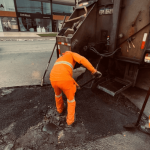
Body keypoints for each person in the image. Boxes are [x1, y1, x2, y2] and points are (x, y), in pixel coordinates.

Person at [50, 49, 102, 127]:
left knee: (57, 94)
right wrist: (94, 71)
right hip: (64, 80)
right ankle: (70, 122)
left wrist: (76, 85)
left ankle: (60, 110)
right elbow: (83, 60)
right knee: (71, 100)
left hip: (53, 78)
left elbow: (65, 75)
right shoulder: (72, 54)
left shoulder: (61, 58)